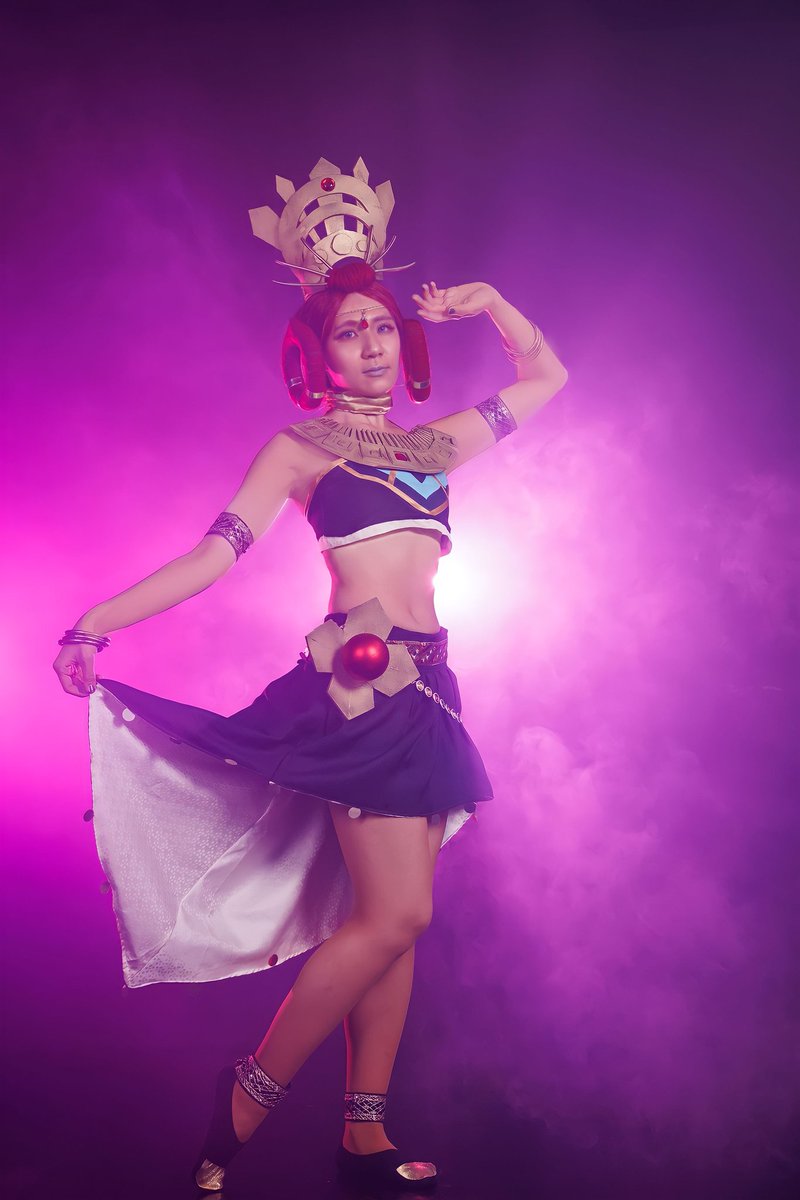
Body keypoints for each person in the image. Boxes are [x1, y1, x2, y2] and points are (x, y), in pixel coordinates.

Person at [52, 158, 568, 1193]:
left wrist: (490, 302)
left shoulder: (434, 445)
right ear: (316, 354)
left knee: (391, 927)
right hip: (358, 687)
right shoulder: (299, 449)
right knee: (397, 917)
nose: (371, 343)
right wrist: (94, 620)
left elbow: (544, 378)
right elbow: (213, 555)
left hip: (432, 691)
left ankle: (362, 1140)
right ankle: (244, 1100)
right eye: (349, 333)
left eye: (382, 326)